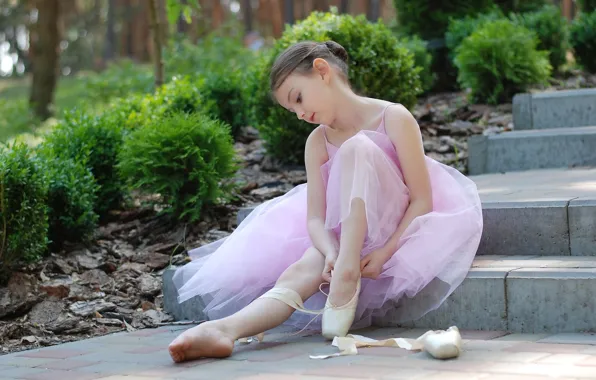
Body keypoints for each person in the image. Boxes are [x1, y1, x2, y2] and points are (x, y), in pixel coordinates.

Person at [167, 40, 483, 363]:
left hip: (392, 229)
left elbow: (421, 200)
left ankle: (346, 274)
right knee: (304, 268)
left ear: (322, 71)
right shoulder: (316, 142)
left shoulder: (394, 118)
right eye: (293, 111)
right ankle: (224, 329)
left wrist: (385, 252)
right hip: (343, 236)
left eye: (299, 98)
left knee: (357, 148)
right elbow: (316, 220)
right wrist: (331, 251)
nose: (301, 114)